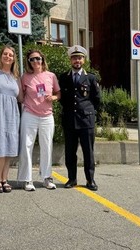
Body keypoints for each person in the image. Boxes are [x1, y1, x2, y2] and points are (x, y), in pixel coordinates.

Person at [59, 45, 101, 191]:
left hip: (86, 121)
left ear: (83, 60)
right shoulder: (64, 77)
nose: (77, 60)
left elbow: (97, 99)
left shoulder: (90, 78)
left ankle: (90, 180)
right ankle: (72, 179)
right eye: (74, 58)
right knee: (70, 152)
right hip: (70, 120)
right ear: (70, 60)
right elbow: (62, 99)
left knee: (88, 152)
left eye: (79, 58)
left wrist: (88, 111)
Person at [17, 49, 61, 191]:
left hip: (47, 116)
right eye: (32, 59)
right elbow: (21, 96)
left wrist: (53, 97)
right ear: (28, 62)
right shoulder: (25, 77)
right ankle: (27, 179)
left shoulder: (51, 76)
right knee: (26, 146)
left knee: (47, 146)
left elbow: (58, 93)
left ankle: (46, 177)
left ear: (42, 59)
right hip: (30, 114)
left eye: (38, 58)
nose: (36, 61)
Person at [0, 45, 23, 193]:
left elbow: (21, 98)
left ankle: (5, 179)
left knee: (9, 146)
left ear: (14, 58)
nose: (8, 57)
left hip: (13, 114)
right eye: (5, 54)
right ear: (1, 55)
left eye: (11, 55)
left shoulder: (16, 77)